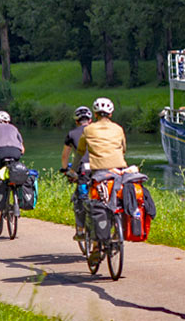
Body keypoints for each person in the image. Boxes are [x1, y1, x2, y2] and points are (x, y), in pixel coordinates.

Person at [74, 97, 127, 263]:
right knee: (120, 202)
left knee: (94, 207)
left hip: (99, 174)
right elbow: (123, 148)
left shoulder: (88, 130)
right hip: (118, 172)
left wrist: (72, 170)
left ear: (95, 114)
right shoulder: (119, 129)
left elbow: (80, 152)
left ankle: (96, 247)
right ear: (111, 113)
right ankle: (117, 233)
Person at [60, 106, 93, 241]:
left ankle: (80, 230)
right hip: (101, 167)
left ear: (76, 121)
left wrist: (66, 170)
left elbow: (65, 156)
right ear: (90, 120)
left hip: (83, 170)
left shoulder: (72, 134)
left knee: (81, 199)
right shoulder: (97, 132)